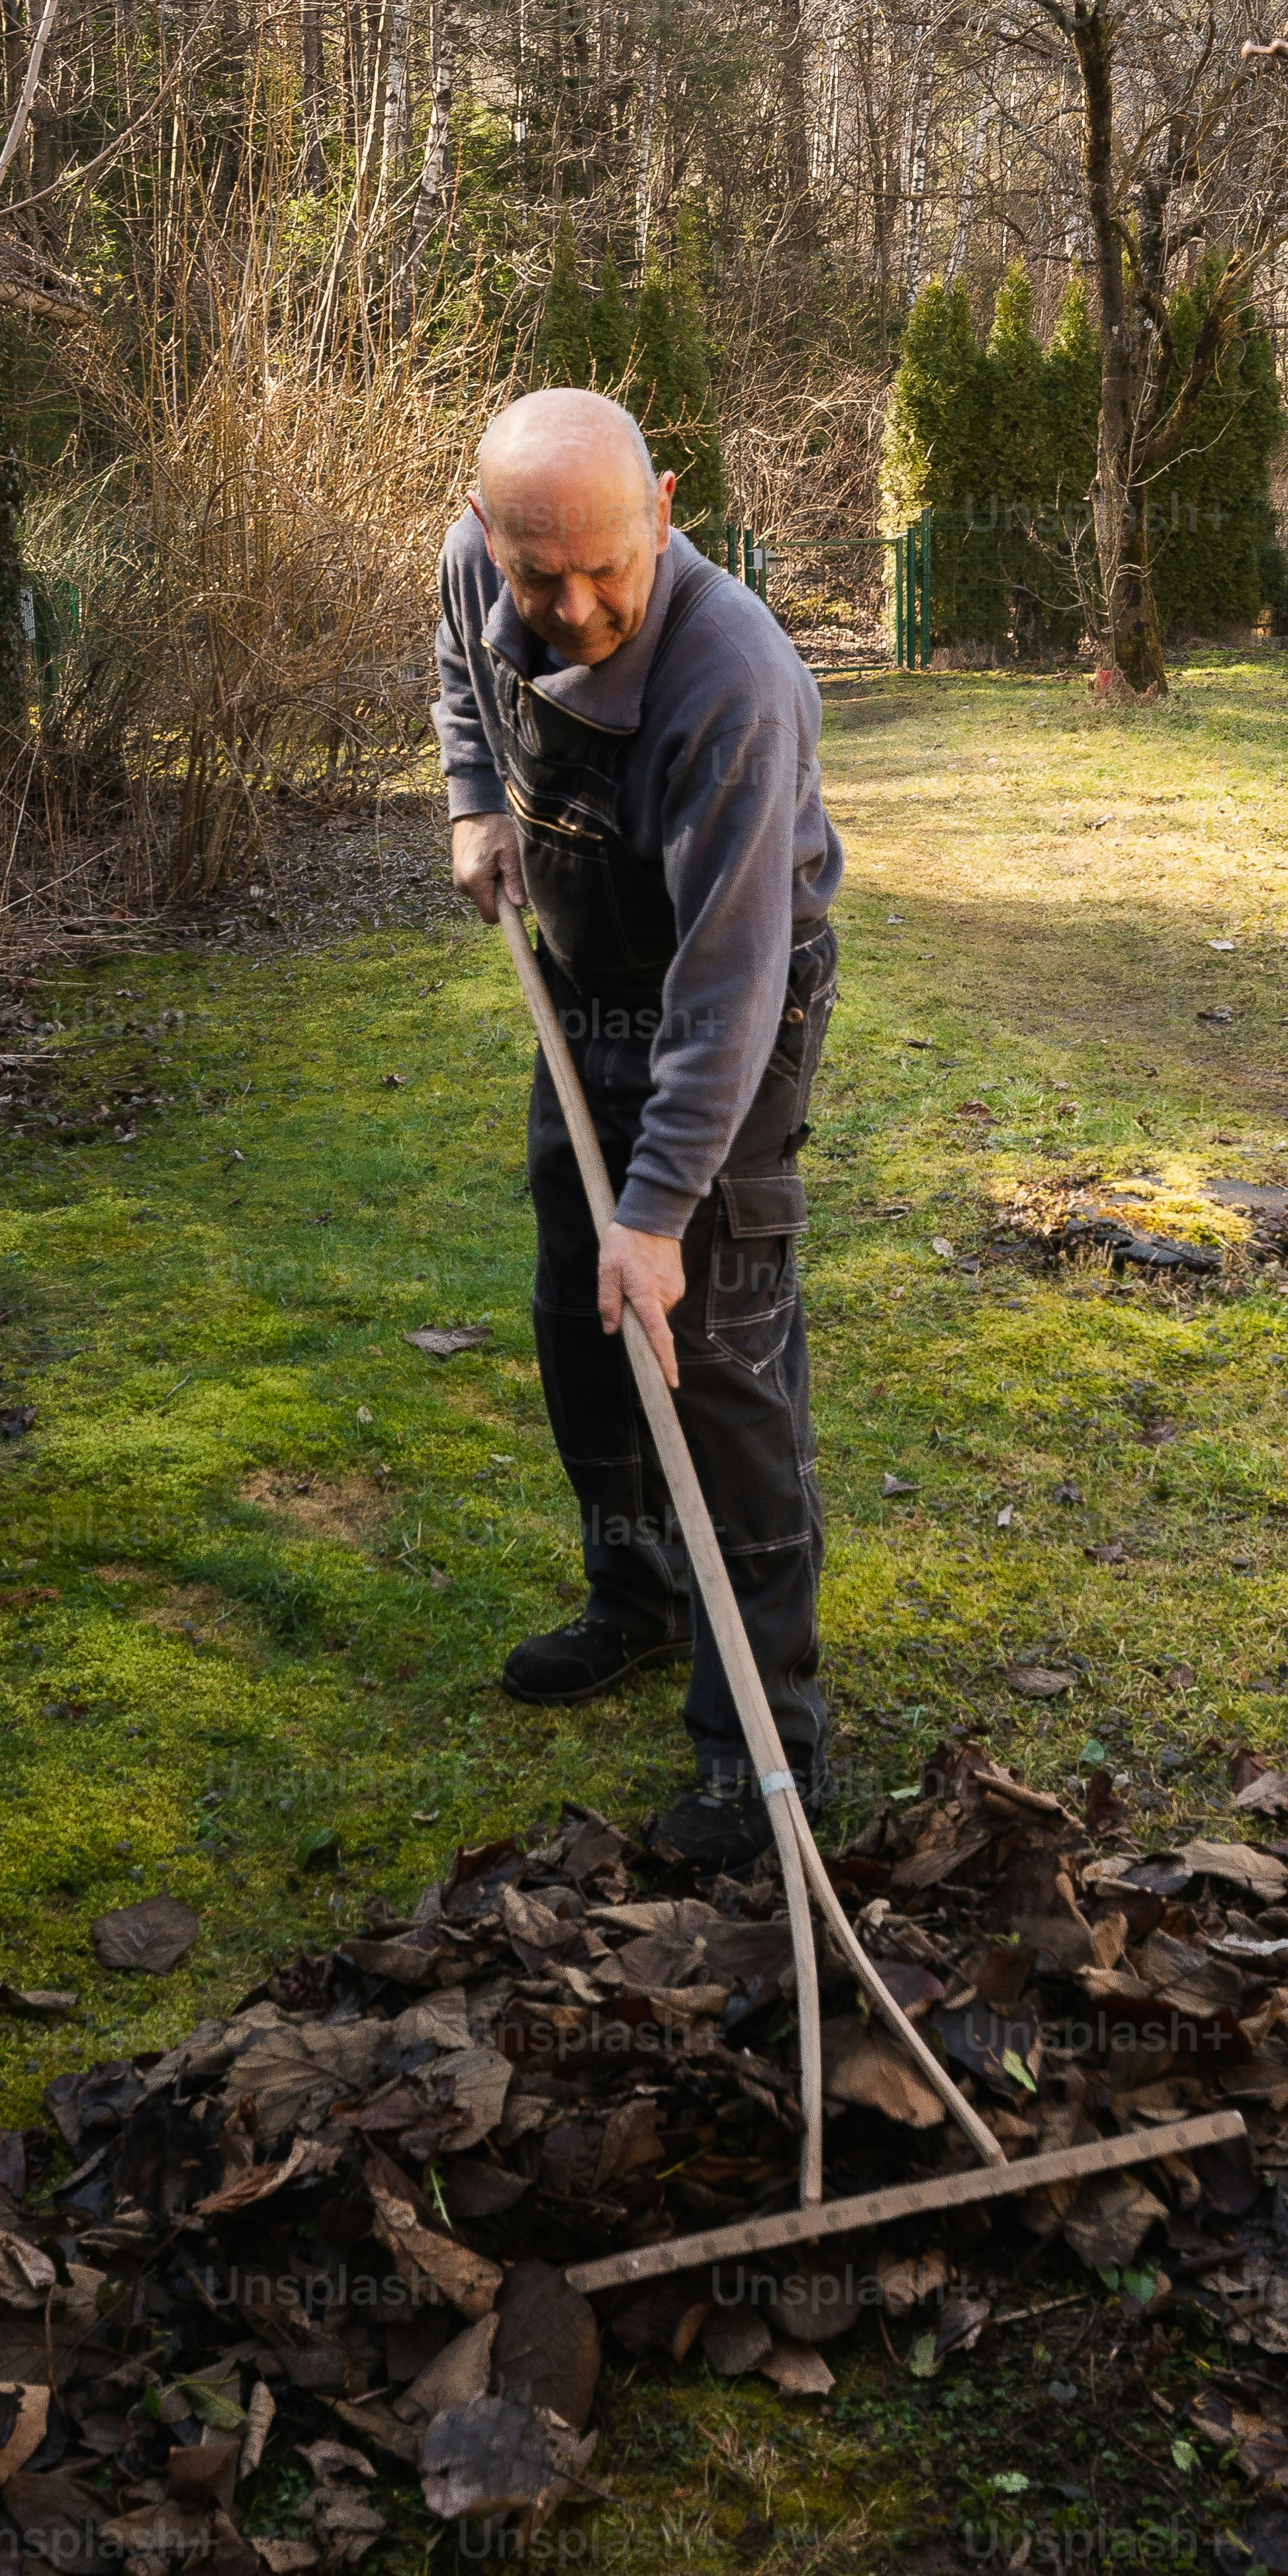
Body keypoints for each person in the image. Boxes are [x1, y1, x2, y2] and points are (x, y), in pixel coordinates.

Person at [433, 385, 842, 1871]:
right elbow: (453, 655)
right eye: (539, 578)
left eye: (608, 567)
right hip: (584, 978)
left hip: (732, 1000)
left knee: (710, 1349)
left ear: (665, 508)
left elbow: (724, 992)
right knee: (574, 1314)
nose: (576, 605)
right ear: (492, 533)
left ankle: (764, 1738)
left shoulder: (731, 682)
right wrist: (476, 797)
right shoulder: (484, 565)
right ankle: (637, 1593)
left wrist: (661, 1212)